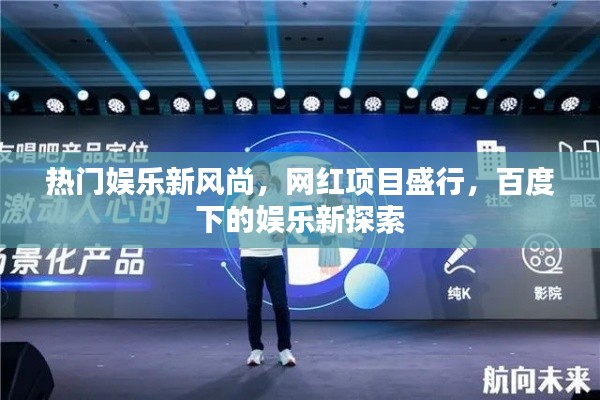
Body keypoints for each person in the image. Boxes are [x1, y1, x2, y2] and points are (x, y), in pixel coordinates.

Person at [233, 160, 296, 367]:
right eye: (255, 173)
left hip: (274, 257)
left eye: (262, 173)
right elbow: (234, 219)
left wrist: (284, 232)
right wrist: (250, 197)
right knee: (254, 305)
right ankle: (256, 350)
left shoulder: (281, 199)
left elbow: (290, 222)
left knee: (280, 304)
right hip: (249, 257)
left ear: (269, 177)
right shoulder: (242, 198)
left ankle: (285, 350)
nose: (258, 176)